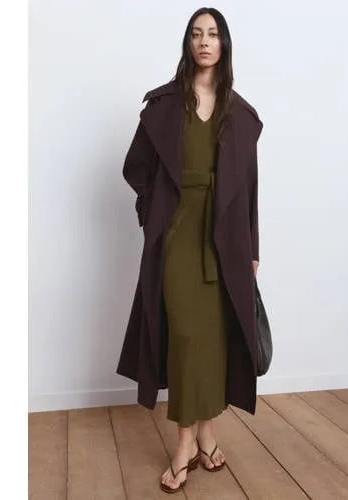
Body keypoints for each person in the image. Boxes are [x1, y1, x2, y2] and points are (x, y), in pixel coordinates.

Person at [116, 7, 263, 494]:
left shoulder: (241, 115)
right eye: (197, 34)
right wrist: (154, 213)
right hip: (178, 235)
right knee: (184, 338)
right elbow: (135, 167)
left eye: (213, 34)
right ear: (188, 43)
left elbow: (250, 189)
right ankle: (184, 444)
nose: (204, 41)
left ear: (224, 44)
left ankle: (206, 435)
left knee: (214, 340)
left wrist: (252, 247)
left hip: (226, 239)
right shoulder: (164, 105)